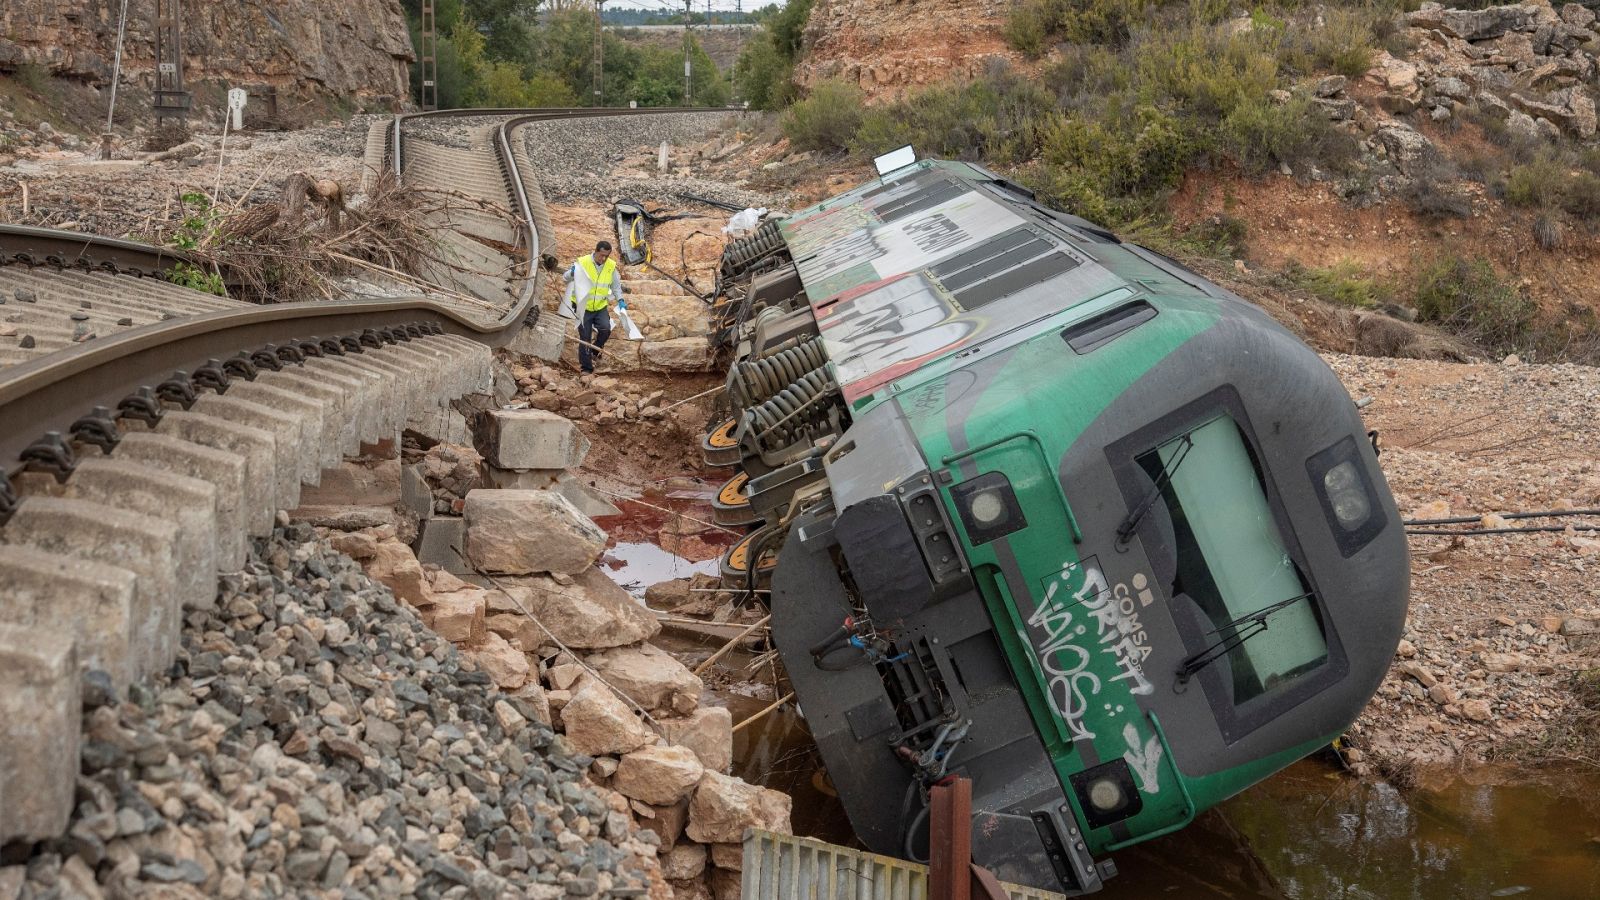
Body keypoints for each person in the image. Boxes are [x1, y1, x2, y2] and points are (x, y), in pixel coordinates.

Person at [571, 240, 625, 375]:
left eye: (607, 256)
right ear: (595, 251)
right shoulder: (583, 262)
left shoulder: (610, 266)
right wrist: (572, 272)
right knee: (585, 338)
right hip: (583, 306)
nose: (604, 258)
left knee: (606, 329)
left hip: (600, 306)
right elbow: (565, 278)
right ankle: (586, 369)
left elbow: (616, 287)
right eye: (602, 255)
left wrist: (621, 300)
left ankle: (595, 350)